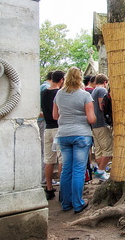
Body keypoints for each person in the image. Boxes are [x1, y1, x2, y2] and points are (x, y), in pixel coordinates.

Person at [53, 67, 96, 213]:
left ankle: (66, 203)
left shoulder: (59, 94)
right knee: (78, 169)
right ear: (80, 78)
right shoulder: (84, 95)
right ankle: (78, 203)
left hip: (63, 134)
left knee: (66, 169)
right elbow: (91, 118)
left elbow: (55, 115)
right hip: (81, 135)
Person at [41, 70, 65, 200]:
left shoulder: (44, 92)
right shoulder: (59, 94)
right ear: (61, 80)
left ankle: (49, 188)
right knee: (62, 160)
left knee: (49, 160)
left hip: (47, 128)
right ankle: (63, 189)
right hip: (58, 128)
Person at [91, 74, 113, 181]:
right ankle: (100, 171)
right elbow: (102, 106)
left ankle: (101, 171)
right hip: (102, 123)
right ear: (105, 82)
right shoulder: (101, 91)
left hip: (94, 125)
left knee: (99, 150)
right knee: (108, 149)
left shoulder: (94, 90)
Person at [39, 71, 53, 184]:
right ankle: (44, 179)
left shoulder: (43, 87)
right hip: (44, 121)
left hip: (45, 121)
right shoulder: (46, 88)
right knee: (46, 153)